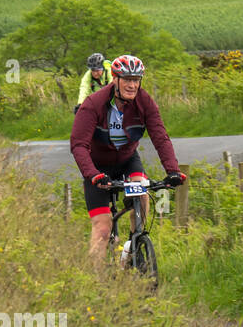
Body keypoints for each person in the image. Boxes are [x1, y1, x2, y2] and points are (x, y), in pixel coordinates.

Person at [70, 54, 185, 261]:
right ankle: (96, 286)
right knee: (103, 229)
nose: (132, 85)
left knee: (142, 192)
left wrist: (173, 170)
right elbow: (78, 145)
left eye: (136, 80)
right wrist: (92, 174)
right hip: (97, 166)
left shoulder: (145, 102)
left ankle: (134, 247)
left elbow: (160, 137)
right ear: (115, 79)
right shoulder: (93, 104)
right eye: (127, 80)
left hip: (127, 159)